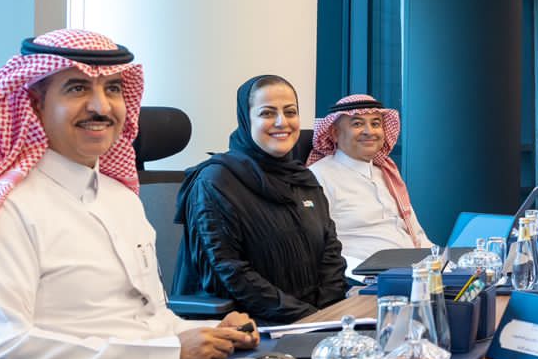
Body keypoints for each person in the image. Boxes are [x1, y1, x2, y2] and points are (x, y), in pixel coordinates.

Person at [0, 30, 258, 359]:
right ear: (35, 103)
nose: (101, 107)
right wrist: (170, 356)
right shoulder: (3, 209)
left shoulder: (120, 197)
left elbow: (146, 321)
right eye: (77, 88)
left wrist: (214, 333)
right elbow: (3, 352)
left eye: (113, 89)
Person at [174, 75, 347, 324]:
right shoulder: (216, 182)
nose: (282, 122)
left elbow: (330, 251)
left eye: (290, 112)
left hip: (316, 321)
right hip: (252, 325)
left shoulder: (302, 177)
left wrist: (329, 314)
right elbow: (230, 272)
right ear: (246, 119)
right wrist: (308, 319)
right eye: (267, 113)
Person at [306, 94, 432, 275]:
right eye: (357, 124)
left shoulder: (387, 172)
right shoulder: (318, 176)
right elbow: (318, 247)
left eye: (375, 124)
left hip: (416, 273)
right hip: (362, 279)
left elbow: (417, 234)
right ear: (334, 133)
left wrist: (441, 265)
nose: (369, 131)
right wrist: (362, 276)